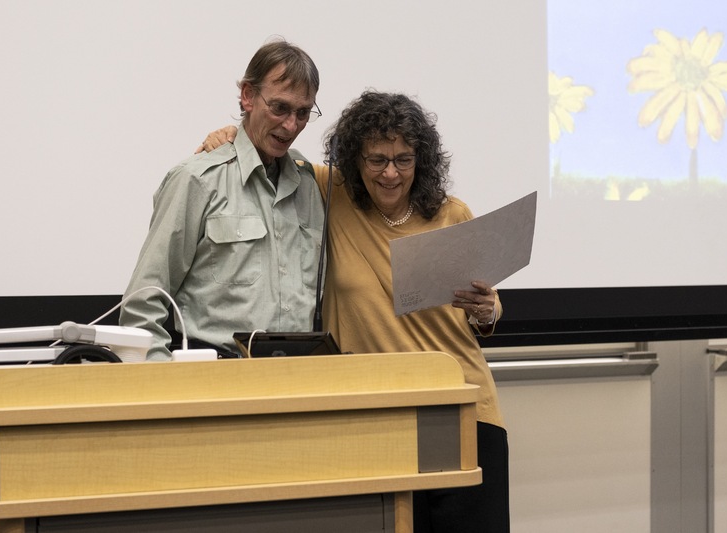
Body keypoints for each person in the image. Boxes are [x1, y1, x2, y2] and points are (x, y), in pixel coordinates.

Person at [200, 90, 510, 532]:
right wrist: (232, 134)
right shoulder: (330, 194)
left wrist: (489, 309)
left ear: (421, 160)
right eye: (377, 159)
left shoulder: (451, 214)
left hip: (460, 406)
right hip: (376, 413)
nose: (390, 173)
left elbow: (484, 309)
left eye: (403, 160)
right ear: (354, 159)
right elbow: (270, 151)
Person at [120, 38, 325, 360]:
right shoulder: (197, 180)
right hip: (215, 373)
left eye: (302, 112)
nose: (291, 125)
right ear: (248, 96)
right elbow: (142, 304)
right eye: (280, 108)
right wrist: (164, 378)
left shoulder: (310, 184)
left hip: (298, 375)